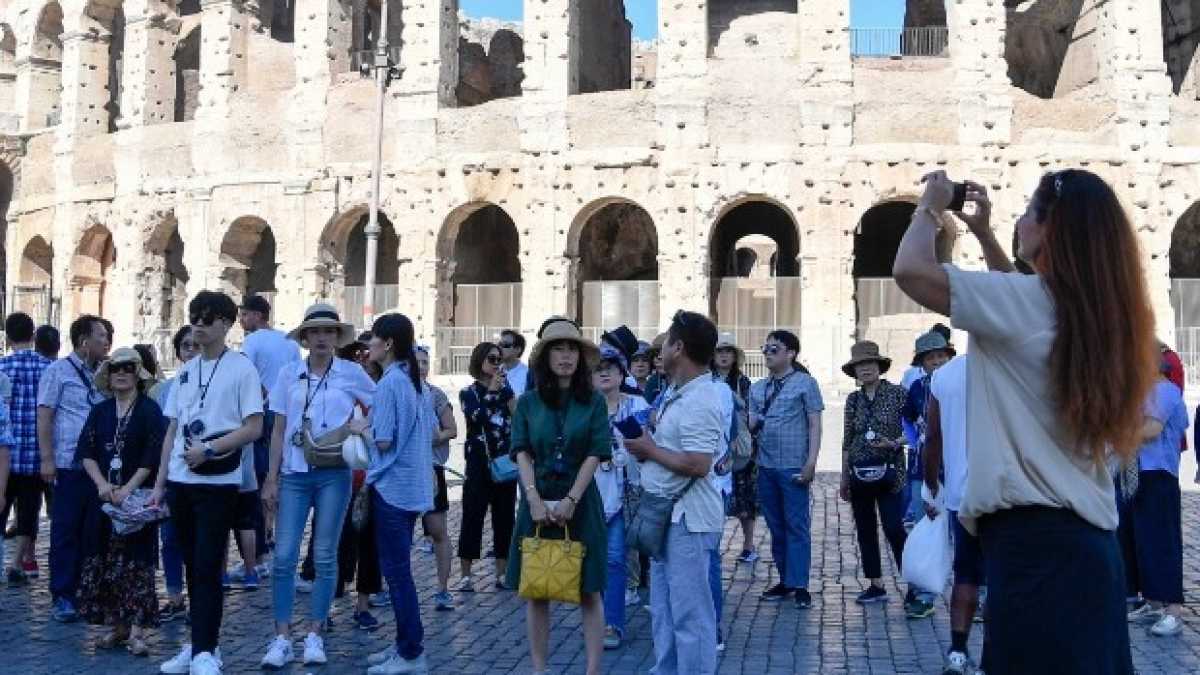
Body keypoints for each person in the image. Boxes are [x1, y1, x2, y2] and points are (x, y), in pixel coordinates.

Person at [894, 169, 1157, 673]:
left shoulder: (1025, 307)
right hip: (1089, 553)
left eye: (1028, 211)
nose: (1018, 219)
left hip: (1037, 554)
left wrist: (929, 205)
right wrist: (986, 235)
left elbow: (910, 270)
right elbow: (1016, 301)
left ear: (1049, 227)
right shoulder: (1095, 316)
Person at [151, 291, 265, 675]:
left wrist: (211, 449)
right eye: (194, 318)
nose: (198, 325)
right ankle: (199, 643)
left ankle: (205, 649)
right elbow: (171, 430)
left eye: (206, 319)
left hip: (218, 481)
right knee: (188, 564)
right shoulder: (184, 370)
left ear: (225, 324)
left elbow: (254, 427)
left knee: (207, 563)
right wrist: (160, 483)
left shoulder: (241, 369)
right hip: (181, 482)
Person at [259, 303, 375, 667]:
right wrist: (270, 478)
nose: (322, 337)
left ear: (337, 338)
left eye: (329, 331)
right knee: (283, 556)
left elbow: (381, 404)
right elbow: (277, 428)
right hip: (294, 473)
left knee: (325, 554)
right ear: (305, 338)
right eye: (316, 332)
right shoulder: (288, 374)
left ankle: (314, 632)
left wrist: (363, 426)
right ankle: (281, 636)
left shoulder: (351, 373)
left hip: (334, 473)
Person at [505, 317, 609, 675]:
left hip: (581, 502)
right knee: (537, 589)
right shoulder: (528, 403)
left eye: (571, 349)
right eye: (558, 349)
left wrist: (571, 500)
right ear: (545, 357)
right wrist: (533, 498)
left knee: (589, 589)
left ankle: (592, 670)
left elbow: (595, 452)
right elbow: (521, 452)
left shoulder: (594, 402)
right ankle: (539, 670)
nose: (565, 356)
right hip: (536, 500)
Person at [623, 310, 725, 675]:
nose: (660, 348)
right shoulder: (677, 393)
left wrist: (650, 450)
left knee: (690, 614)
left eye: (665, 341)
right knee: (664, 611)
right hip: (670, 516)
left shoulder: (700, 399)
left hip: (689, 520)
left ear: (678, 347)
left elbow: (699, 463)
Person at [76, 348, 165, 657]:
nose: (121, 374)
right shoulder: (99, 412)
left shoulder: (149, 410)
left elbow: (153, 455)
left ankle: (138, 632)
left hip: (136, 499)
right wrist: (103, 485)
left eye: (128, 368)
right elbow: (86, 452)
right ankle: (117, 626)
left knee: (137, 565)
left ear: (137, 374)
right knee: (104, 562)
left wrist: (128, 488)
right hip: (102, 499)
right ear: (109, 376)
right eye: (116, 369)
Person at [361, 313, 436, 675]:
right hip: (410, 486)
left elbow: (384, 439)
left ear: (388, 344)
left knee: (397, 574)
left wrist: (362, 427)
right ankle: (404, 646)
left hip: (392, 487)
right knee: (399, 572)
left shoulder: (391, 383)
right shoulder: (412, 379)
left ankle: (411, 652)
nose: (368, 345)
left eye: (374, 339)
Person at [38, 314, 111, 623]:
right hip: (68, 464)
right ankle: (63, 594)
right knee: (66, 530)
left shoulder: (105, 374)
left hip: (100, 468)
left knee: (93, 532)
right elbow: (45, 416)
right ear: (84, 341)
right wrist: (47, 459)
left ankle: (87, 590)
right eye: (101, 337)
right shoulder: (58, 372)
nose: (107, 342)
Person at [838, 341, 919, 607]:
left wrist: (895, 443)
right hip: (860, 473)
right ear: (855, 371)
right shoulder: (853, 399)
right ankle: (876, 584)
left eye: (870, 363)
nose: (866, 369)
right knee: (865, 529)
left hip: (890, 473)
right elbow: (847, 438)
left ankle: (913, 584)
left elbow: (913, 429)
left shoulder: (897, 394)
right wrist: (844, 476)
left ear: (879, 366)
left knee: (894, 528)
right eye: (860, 365)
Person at [749, 329, 823, 608]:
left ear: (791, 353)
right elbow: (751, 424)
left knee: (797, 526)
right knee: (776, 526)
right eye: (765, 348)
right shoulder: (758, 388)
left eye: (774, 349)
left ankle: (801, 583)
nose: (767, 353)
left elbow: (815, 424)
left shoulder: (806, 384)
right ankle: (786, 580)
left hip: (793, 464)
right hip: (766, 465)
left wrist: (811, 462)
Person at [922, 353, 987, 674]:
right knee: (1006, 577)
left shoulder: (944, 376)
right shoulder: (1014, 361)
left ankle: (958, 652)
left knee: (966, 574)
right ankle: (997, 654)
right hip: (1010, 493)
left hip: (963, 493)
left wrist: (931, 482)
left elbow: (932, 436)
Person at [1119, 358, 1189, 638]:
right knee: (1140, 541)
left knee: (1162, 543)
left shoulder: (1166, 391)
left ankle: (1173, 610)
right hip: (1137, 474)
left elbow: (1151, 429)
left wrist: (1119, 434)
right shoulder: (1143, 392)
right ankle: (1153, 602)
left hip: (1157, 476)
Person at [592, 343, 650, 650]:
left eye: (609, 369)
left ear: (621, 373)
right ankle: (595, 619)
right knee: (591, 559)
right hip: (589, 493)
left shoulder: (639, 405)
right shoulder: (582, 408)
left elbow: (651, 448)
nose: (603, 374)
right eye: (597, 369)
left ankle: (612, 623)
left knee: (615, 559)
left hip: (626, 491)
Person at [239, 295, 299, 575]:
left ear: (257, 315)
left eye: (244, 315)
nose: (241, 320)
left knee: (261, 475)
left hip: (262, 412)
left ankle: (261, 542)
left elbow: (247, 375)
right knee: (282, 472)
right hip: (286, 411)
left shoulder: (252, 342)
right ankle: (274, 531)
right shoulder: (288, 341)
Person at [456, 341, 518, 593]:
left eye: (499, 359)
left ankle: (502, 573)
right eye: (492, 359)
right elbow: (477, 417)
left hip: (504, 461)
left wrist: (505, 392)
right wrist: (492, 391)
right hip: (479, 462)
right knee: (472, 515)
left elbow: (518, 415)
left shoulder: (506, 390)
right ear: (479, 361)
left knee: (504, 518)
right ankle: (466, 575)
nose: (496, 364)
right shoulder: (468, 393)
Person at [0, 312, 54, 585]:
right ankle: (16, 561)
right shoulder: (48, 368)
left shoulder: (2, 368)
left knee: (3, 506)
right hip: (35, 454)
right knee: (29, 511)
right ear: (33, 337)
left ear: (7, 338)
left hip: (5, 456)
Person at [151, 325, 198, 622]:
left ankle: (200, 595)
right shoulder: (164, 389)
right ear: (178, 351)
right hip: (171, 471)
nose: (191, 351)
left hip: (205, 472)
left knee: (200, 540)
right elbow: (160, 435)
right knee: (169, 537)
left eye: (195, 345)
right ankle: (174, 595)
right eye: (186, 346)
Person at [900, 330, 955, 530]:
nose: (936, 361)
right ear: (922, 363)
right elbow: (906, 419)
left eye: (941, 356)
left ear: (949, 357)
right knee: (923, 517)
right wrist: (915, 443)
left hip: (954, 459)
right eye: (930, 357)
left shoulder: (960, 385)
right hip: (922, 462)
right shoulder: (917, 387)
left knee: (951, 517)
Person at [416, 345, 457, 611]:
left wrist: (434, 437)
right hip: (403, 473)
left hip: (431, 468)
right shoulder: (395, 391)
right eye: (416, 361)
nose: (421, 366)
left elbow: (451, 429)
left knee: (438, 531)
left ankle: (443, 588)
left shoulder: (436, 395)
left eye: (425, 362)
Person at [711, 332, 756, 562]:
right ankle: (714, 543)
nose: (724, 355)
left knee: (744, 497)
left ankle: (748, 545)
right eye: (720, 351)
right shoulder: (707, 379)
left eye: (728, 351)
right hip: (715, 443)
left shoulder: (742, 382)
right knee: (715, 495)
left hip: (738, 445)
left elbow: (750, 411)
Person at [499, 329, 531, 396]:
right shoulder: (494, 370)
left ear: (517, 349)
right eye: (499, 344)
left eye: (505, 345)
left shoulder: (527, 374)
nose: (500, 348)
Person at [643, 332, 669, 406]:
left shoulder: (684, 381)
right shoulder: (653, 381)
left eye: (662, 353)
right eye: (654, 354)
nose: (656, 359)